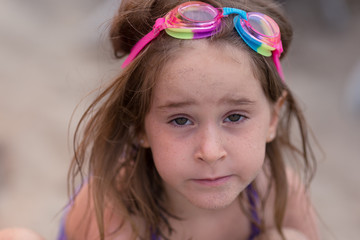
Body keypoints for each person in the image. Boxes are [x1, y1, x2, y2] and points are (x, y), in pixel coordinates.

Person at [61, 0, 319, 239]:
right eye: (181, 121)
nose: (210, 151)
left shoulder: (277, 196)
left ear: (273, 118)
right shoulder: (114, 212)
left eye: (235, 116)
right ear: (139, 125)